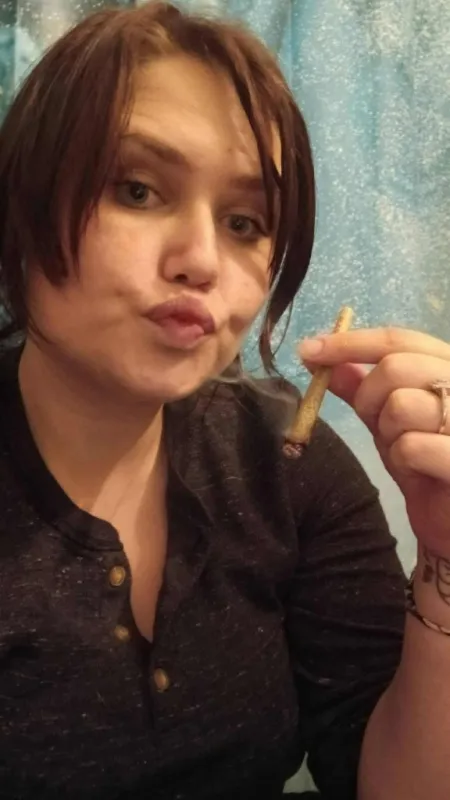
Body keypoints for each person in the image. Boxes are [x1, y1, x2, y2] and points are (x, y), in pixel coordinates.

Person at [0, 2, 449, 798]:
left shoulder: (286, 463)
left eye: (245, 222)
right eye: (137, 190)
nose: (202, 260)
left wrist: (445, 557)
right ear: (23, 203)